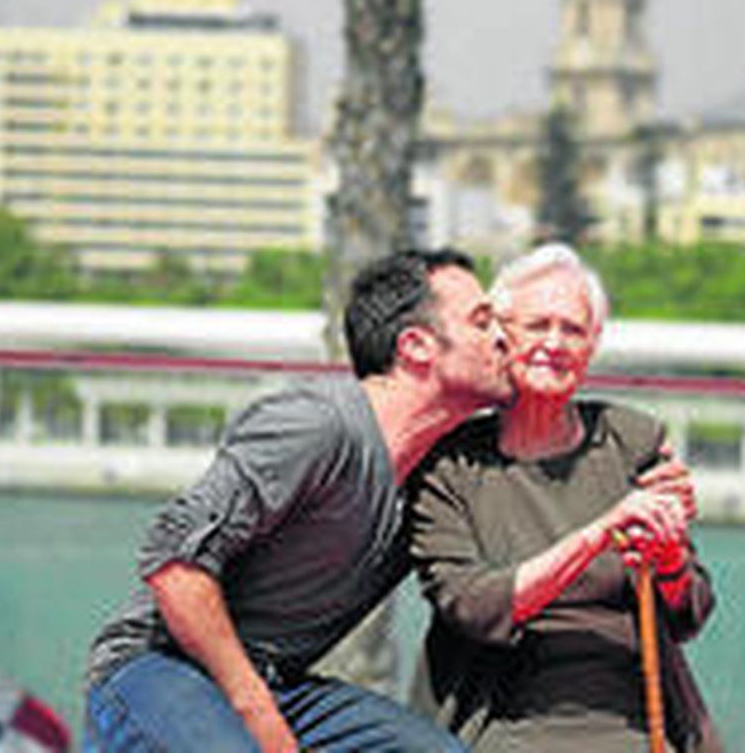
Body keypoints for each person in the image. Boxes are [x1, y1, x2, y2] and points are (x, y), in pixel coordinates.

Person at [83, 248, 512, 752]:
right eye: (482, 323)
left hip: (281, 686)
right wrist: (260, 716)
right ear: (416, 346)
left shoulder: (441, 473)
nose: (503, 338)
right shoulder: (316, 425)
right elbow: (173, 564)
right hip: (156, 667)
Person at [410, 243, 723, 752]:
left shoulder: (631, 441)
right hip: (498, 719)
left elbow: (690, 613)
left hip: (630, 716)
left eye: (573, 330)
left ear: (592, 345)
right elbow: (472, 607)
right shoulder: (453, 465)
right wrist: (600, 532)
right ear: (500, 335)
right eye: (537, 325)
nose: (554, 343)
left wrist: (669, 563)